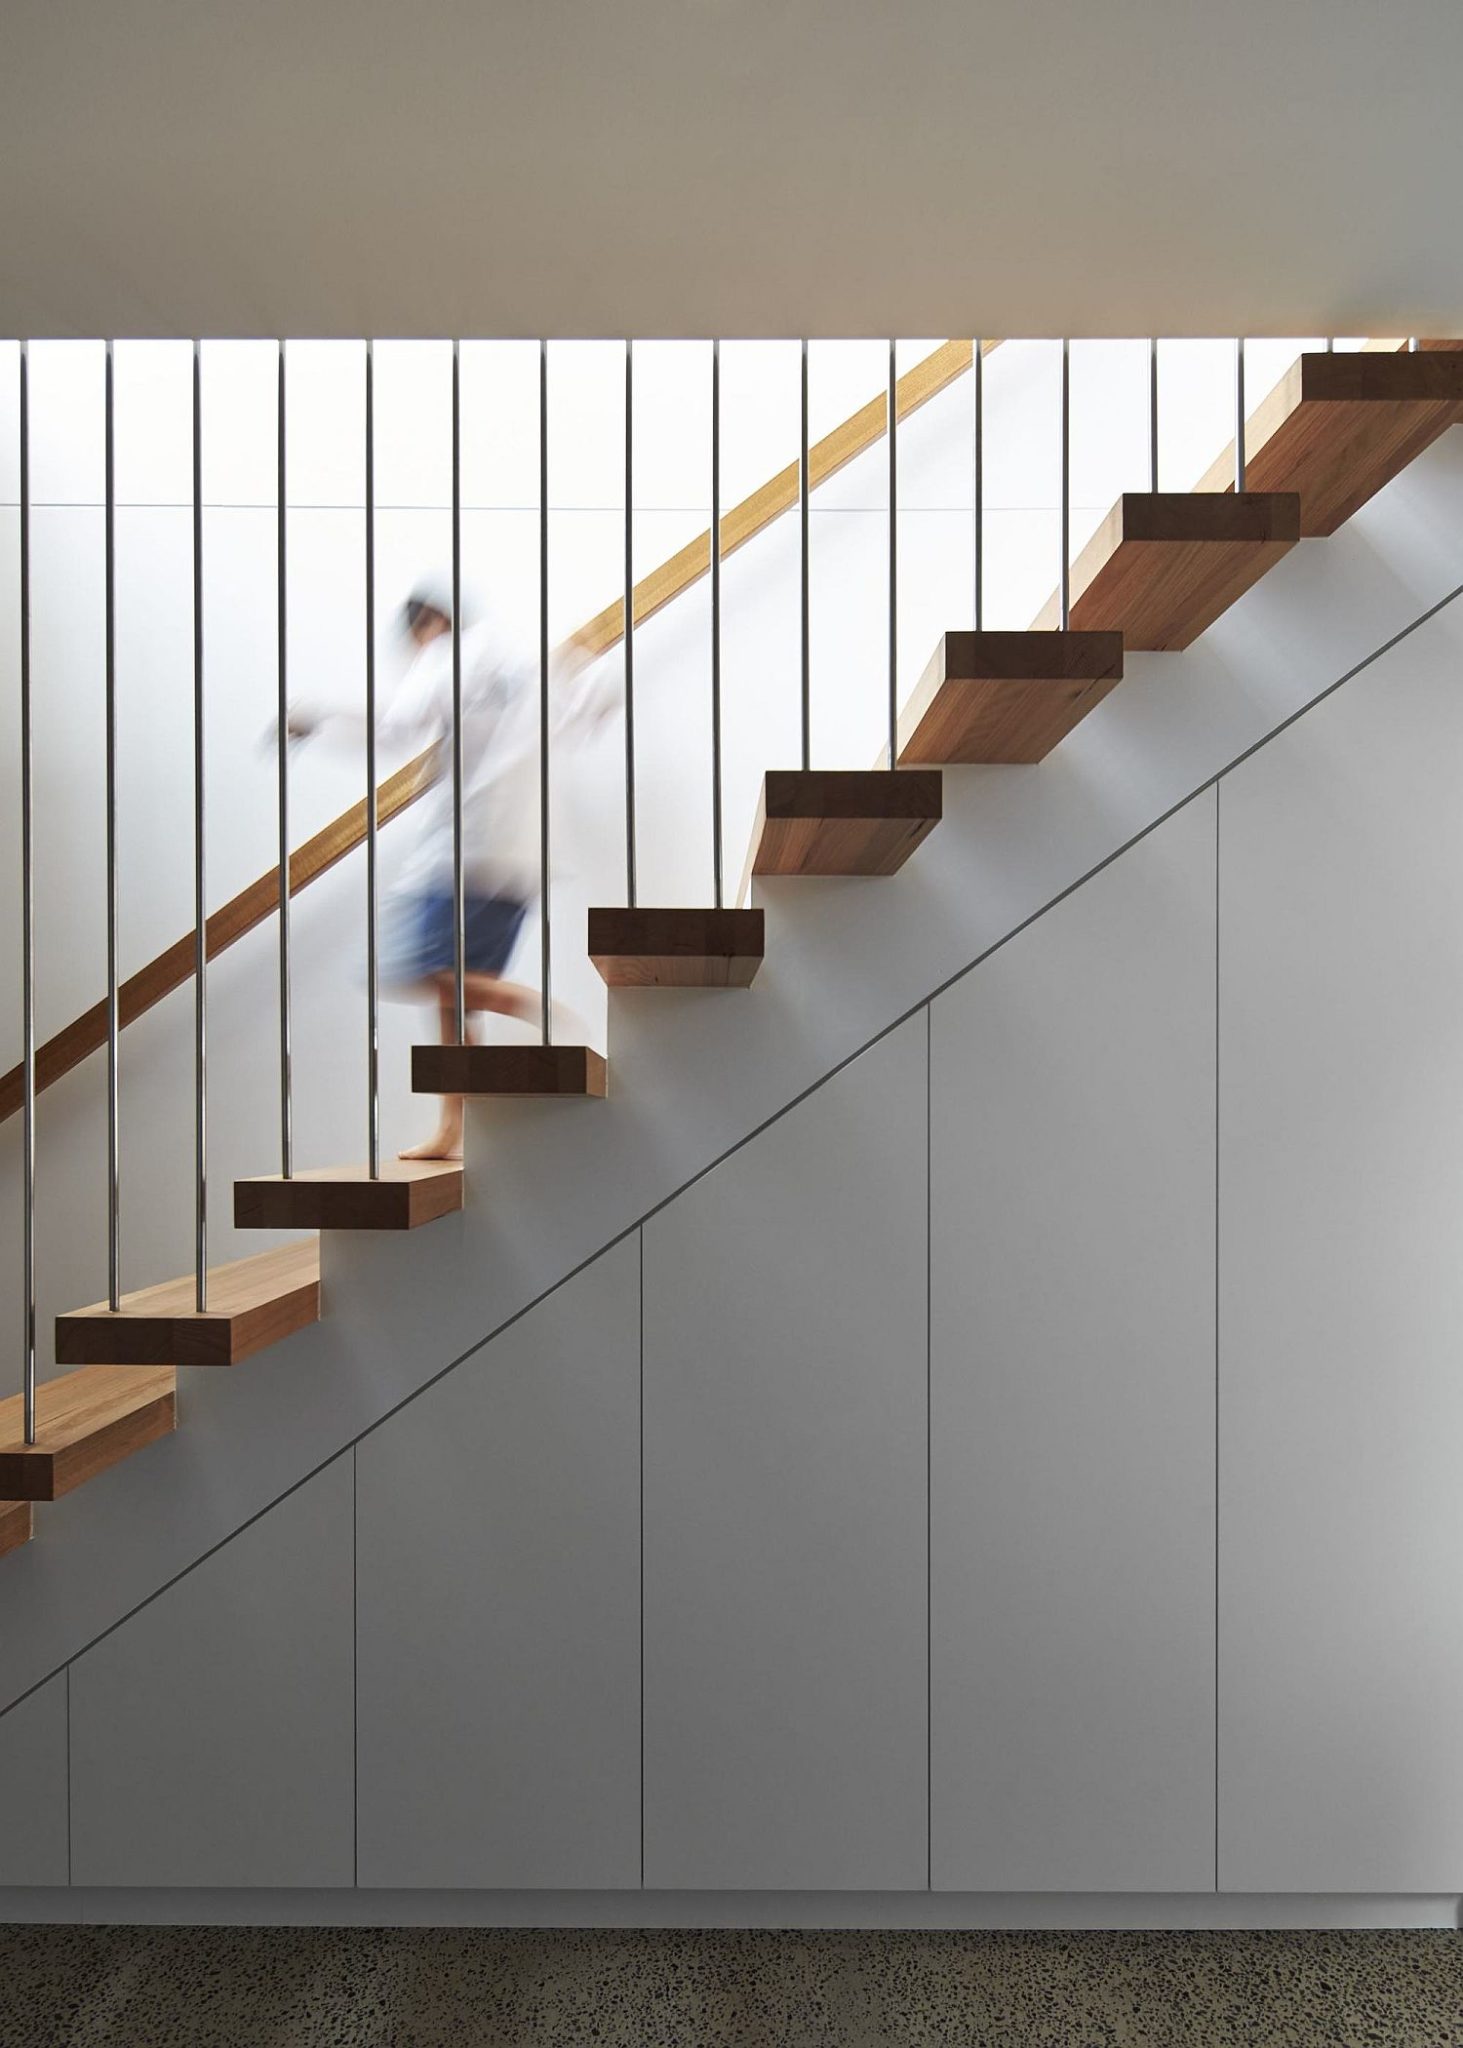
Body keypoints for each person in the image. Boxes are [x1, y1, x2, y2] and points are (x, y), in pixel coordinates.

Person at [288, 575, 614, 1160]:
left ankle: (531, 1007)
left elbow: (394, 728)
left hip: (465, 851)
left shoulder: (445, 656)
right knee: (453, 997)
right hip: (524, 857)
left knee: (400, 970)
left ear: (426, 626)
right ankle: (451, 1129)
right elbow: (591, 710)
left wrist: (312, 721)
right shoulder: (528, 661)